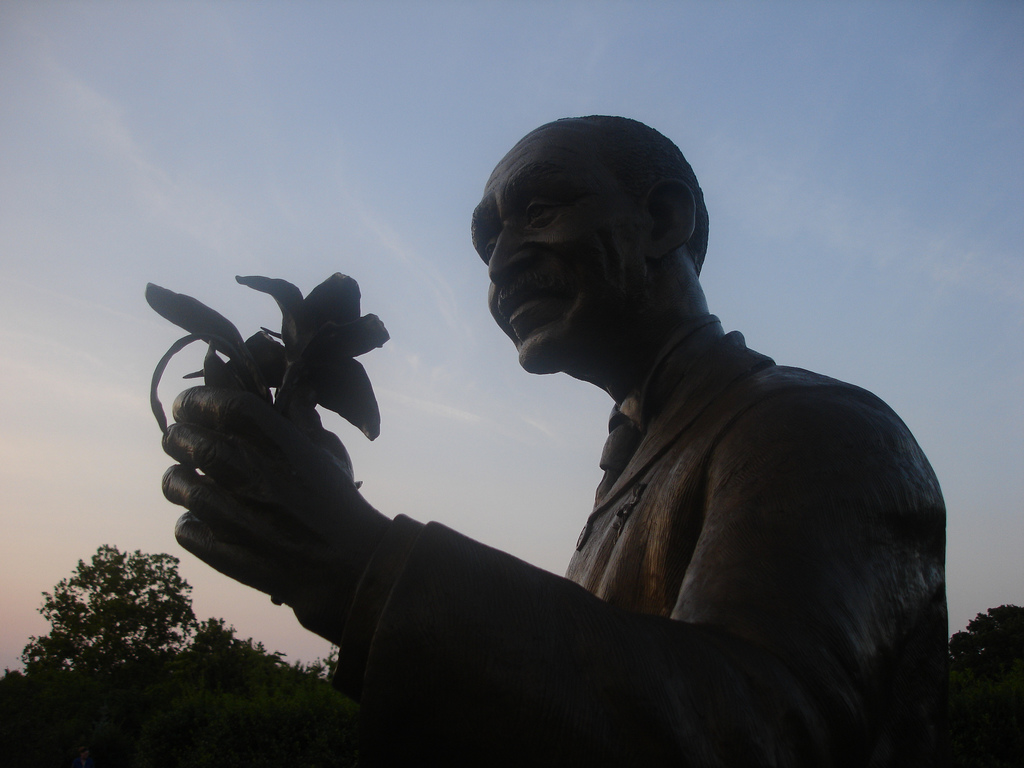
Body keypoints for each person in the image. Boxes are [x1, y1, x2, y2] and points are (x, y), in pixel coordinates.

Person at [160, 116, 948, 766]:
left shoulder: (814, 431)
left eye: (540, 212)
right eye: (487, 243)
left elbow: (757, 739)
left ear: (663, 220)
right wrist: (329, 545)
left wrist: (367, 568)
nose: (501, 262)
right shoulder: (641, 465)